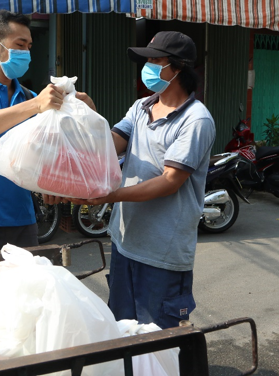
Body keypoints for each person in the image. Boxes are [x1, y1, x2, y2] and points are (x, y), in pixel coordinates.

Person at [63, 31, 216, 329]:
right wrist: (88, 115)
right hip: (124, 243)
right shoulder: (141, 107)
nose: (148, 67)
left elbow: (169, 181)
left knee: (157, 342)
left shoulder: (196, 120)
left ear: (179, 67)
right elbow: (109, 145)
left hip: (162, 253)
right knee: (122, 331)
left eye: (156, 60)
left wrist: (109, 196)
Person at [0, 10, 94, 254]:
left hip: (23, 219)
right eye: (20, 45)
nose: (26, 52)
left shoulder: (28, 97)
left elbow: (51, 146)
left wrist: (84, 108)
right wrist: (37, 105)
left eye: (29, 46)